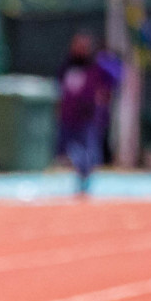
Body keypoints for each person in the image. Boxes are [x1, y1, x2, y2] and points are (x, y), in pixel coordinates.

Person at [57, 32, 117, 194]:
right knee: (70, 150)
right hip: (69, 116)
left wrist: (105, 58)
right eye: (77, 45)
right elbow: (62, 88)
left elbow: (115, 77)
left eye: (83, 46)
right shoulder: (68, 66)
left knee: (89, 152)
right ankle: (81, 178)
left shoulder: (97, 66)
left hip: (88, 116)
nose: (80, 49)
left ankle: (85, 181)